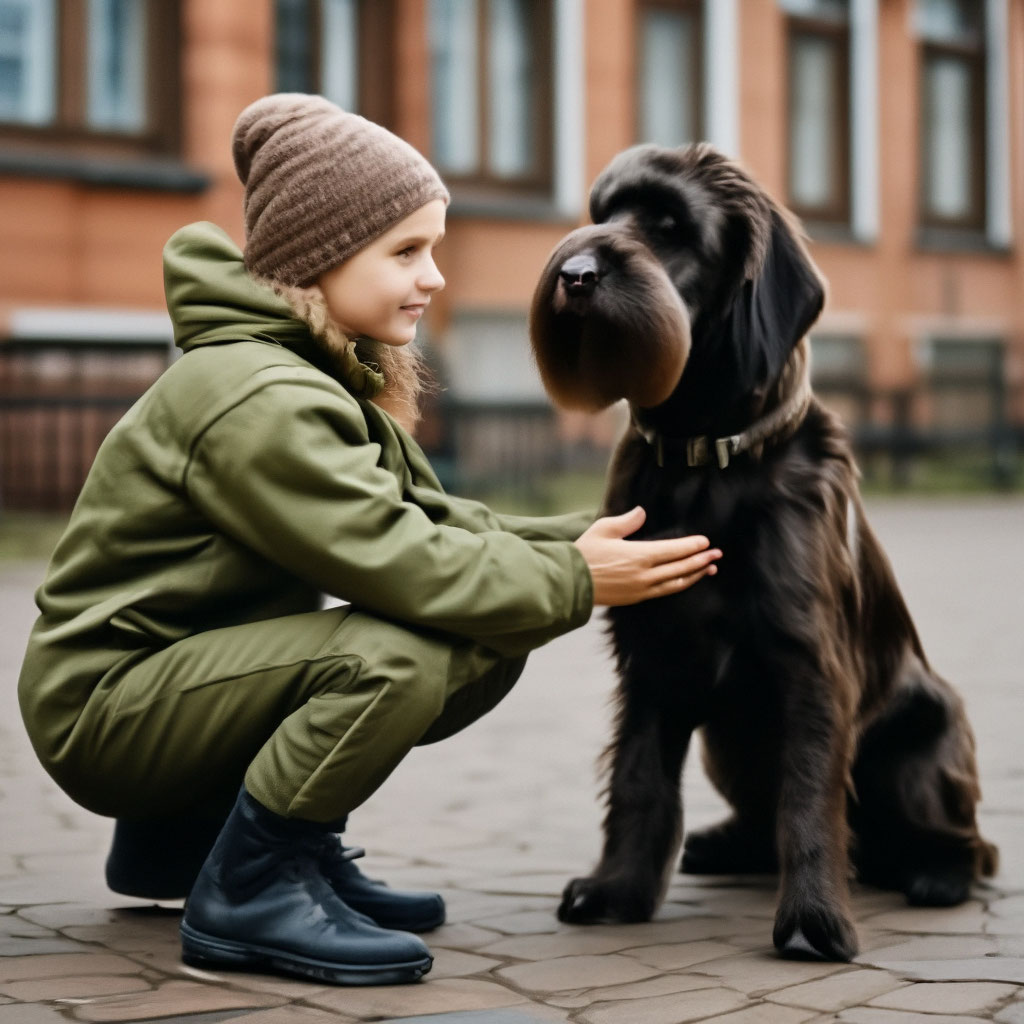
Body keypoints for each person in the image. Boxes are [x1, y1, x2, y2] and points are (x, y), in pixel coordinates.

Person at [17, 94, 721, 987]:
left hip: (168, 682)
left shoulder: (302, 370)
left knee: (480, 618)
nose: (433, 278)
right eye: (406, 252)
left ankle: (194, 848)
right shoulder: (257, 396)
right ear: (318, 258)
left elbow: (433, 522)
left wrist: (594, 537)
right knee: (399, 650)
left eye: (433, 249)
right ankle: (255, 883)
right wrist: (577, 579)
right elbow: (407, 561)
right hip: (105, 711)